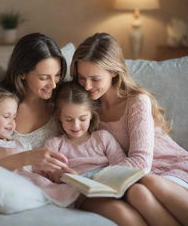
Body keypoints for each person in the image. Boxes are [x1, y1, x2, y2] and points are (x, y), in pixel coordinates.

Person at [70, 32, 188, 225]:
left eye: (95, 79)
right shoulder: (88, 109)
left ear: (114, 72)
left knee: (147, 183)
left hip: (169, 168)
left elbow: (142, 162)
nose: (87, 85)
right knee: (138, 192)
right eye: (82, 78)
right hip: (134, 179)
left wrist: (96, 177)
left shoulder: (136, 101)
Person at [44, 81, 183, 226]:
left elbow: (121, 165)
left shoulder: (103, 137)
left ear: (91, 114)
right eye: (69, 119)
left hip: (110, 186)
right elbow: (49, 173)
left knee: (140, 193)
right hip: (83, 194)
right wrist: (62, 175)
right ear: (59, 117)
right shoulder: (54, 144)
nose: (76, 125)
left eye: (82, 119)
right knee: (121, 212)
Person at [0, 33, 70, 172]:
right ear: (23, 73)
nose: (53, 85)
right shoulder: (0, 106)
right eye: (43, 78)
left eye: (57, 75)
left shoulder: (63, 102)